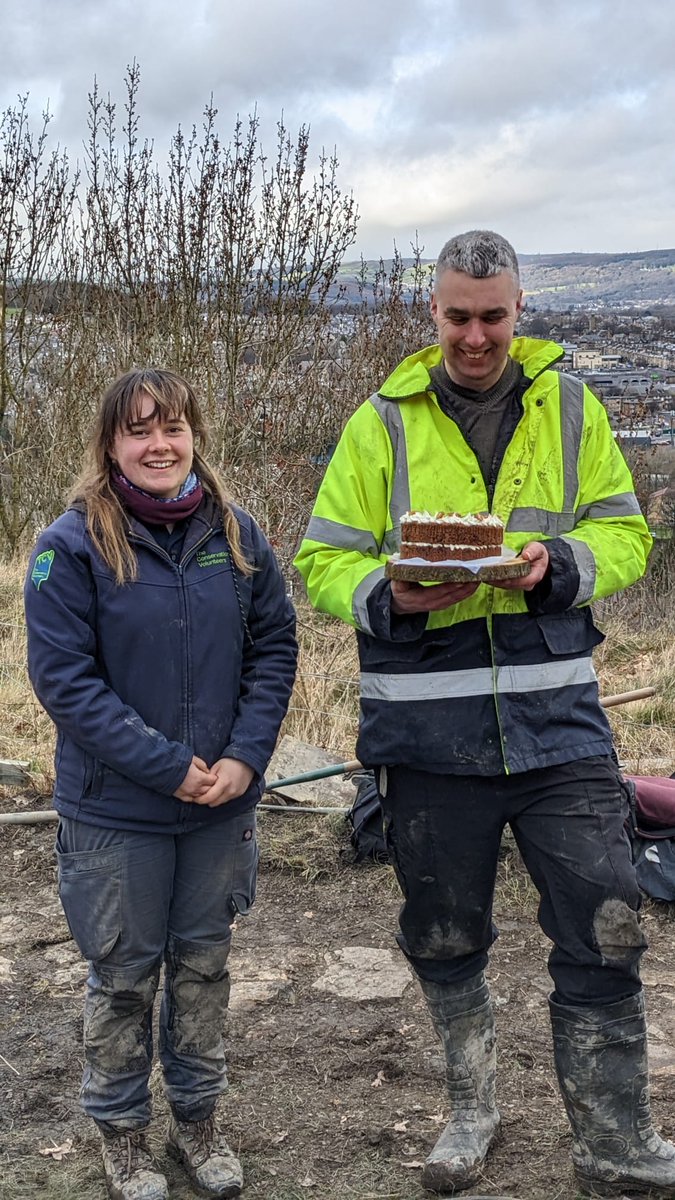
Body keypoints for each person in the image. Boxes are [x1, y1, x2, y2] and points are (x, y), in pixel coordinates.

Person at [294, 231, 675, 1197]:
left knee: (605, 922)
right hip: (426, 738)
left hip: (559, 729)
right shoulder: (379, 423)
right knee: (444, 932)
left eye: (492, 316)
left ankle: (615, 1146)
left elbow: (625, 532)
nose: (475, 336)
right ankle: (473, 1109)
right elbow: (320, 559)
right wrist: (388, 592)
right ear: (433, 312)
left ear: (519, 309)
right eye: (458, 316)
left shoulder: (572, 409)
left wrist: (558, 568)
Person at [24, 368, 298, 1200]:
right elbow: (65, 683)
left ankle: (198, 1123)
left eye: (172, 427)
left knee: (205, 969)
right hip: (117, 813)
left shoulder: (238, 536)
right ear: (109, 444)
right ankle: (122, 1135)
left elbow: (275, 651)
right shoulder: (68, 547)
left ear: (194, 436)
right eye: (139, 430)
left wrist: (246, 757)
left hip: (221, 806)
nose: (158, 444)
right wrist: (166, 766)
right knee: (123, 974)